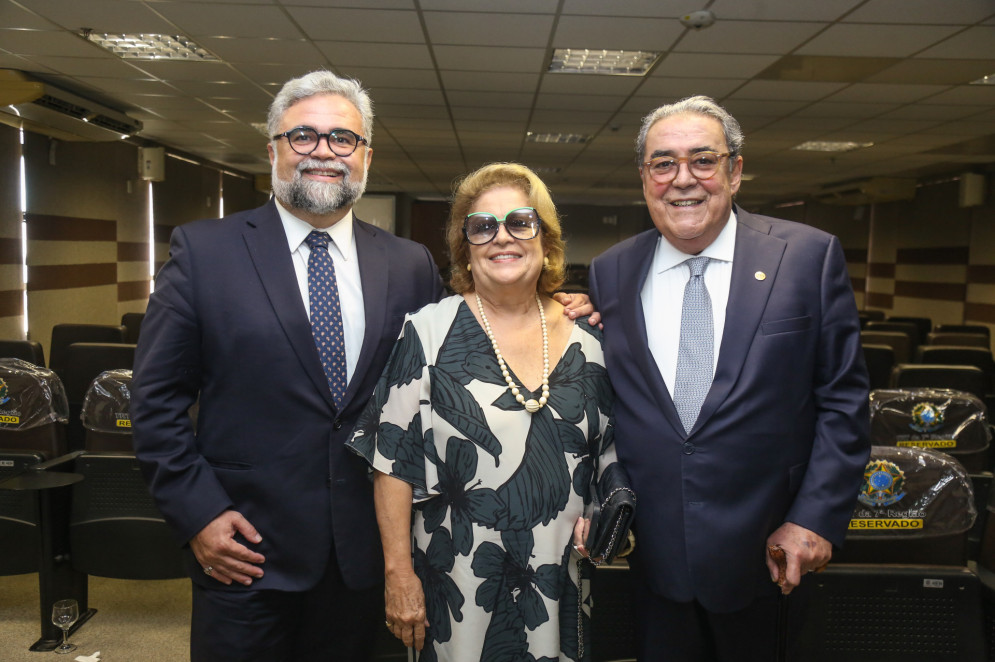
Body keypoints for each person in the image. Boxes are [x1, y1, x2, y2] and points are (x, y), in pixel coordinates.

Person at [130, 72, 595, 662]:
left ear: (366, 157)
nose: (324, 151)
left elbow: (472, 342)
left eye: (343, 139)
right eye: (303, 136)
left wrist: (560, 307)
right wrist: (199, 512)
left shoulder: (407, 264)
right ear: (273, 150)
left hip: (370, 556)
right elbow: (154, 401)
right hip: (245, 548)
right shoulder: (205, 252)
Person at [587, 96, 871, 661]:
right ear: (644, 177)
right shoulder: (610, 270)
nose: (682, 179)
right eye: (663, 163)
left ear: (735, 171)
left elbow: (843, 401)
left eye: (703, 160)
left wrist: (813, 519)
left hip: (771, 553)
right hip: (653, 556)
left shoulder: (807, 257)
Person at [347, 162, 622, 661]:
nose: (502, 237)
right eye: (483, 226)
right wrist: (398, 574)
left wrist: (602, 516)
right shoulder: (427, 332)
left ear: (546, 240)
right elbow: (392, 463)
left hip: (557, 578)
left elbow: (611, 454)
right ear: (466, 248)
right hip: (455, 581)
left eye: (521, 222)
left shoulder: (592, 340)